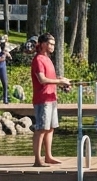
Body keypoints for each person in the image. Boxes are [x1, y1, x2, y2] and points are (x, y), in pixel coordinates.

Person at [31, 32, 72, 167]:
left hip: (52, 98)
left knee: (50, 128)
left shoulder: (47, 59)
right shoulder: (38, 59)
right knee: (41, 129)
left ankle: (48, 156)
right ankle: (38, 160)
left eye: (54, 44)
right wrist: (60, 82)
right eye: (51, 44)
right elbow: (42, 80)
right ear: (43, 44)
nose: (53, 46)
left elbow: (51, 78)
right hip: (42, 100)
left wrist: (62, 81)